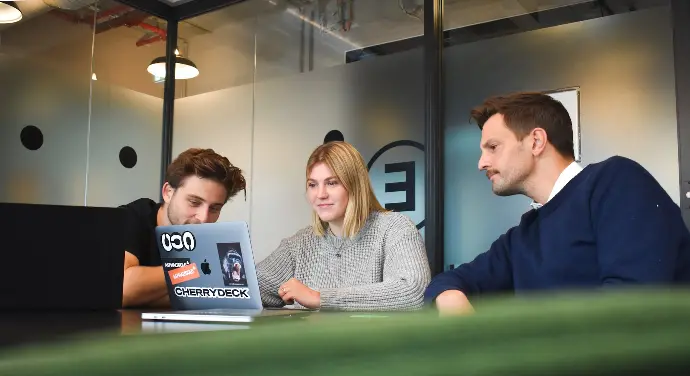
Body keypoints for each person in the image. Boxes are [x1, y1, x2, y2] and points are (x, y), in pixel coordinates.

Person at [424, 91, 690, 315]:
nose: (481, 163)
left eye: (493, 147)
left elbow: (631, 310)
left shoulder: (616, 182)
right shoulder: (523, 235)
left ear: (536, 141)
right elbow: (447, 282)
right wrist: (453, 303)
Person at [257, 141, 431, 311]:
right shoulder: (299, 243)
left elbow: (412, 291)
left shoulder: (395, 228)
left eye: (332, 183)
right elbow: (249, 287)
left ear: (355, 186)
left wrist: (319, 298)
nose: (320, 194)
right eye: (312, 185)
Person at [120, 148, 246, 308]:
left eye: (214, 208)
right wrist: (195, 270)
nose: (204, 218)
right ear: (168, 193)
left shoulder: (209, 237)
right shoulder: (131, 218)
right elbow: (123, 288)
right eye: (194, 202)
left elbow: (224, 297)